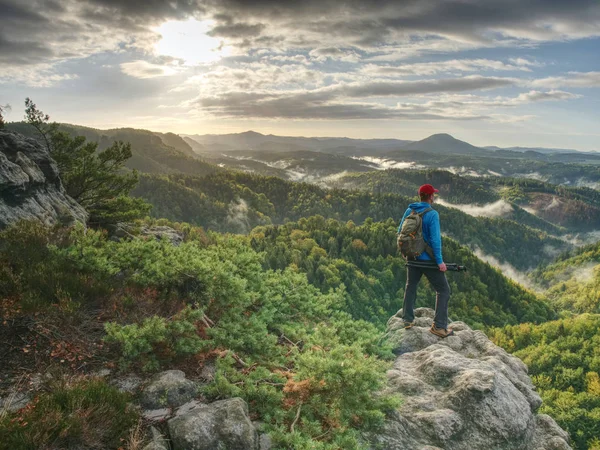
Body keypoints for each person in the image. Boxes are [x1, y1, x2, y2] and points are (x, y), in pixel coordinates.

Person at [398, 184, 453, 338]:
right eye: (433, 195)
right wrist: (440, 262)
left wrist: (407, 251)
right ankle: (439, 326)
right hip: (427, 260)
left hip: (411, 258)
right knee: (443, 290)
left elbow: (399, 232)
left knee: (411, 286)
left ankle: (407, 320)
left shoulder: (410, 210)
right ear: (430, 197)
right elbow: (436, 240)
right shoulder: (432, 214)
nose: (434, 197)